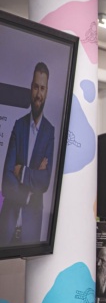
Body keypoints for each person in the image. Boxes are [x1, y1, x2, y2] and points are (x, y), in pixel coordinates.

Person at [0, 62, 54, 245]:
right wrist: (29, 191)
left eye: (42, 88)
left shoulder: (49, 132)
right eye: (36, 87)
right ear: (31, 88)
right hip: (7, 225)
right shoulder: (19, 125)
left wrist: (22, 172)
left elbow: (45, 181)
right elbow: (6, 179)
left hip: (31, 229)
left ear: (46, 91)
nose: (38, 94)